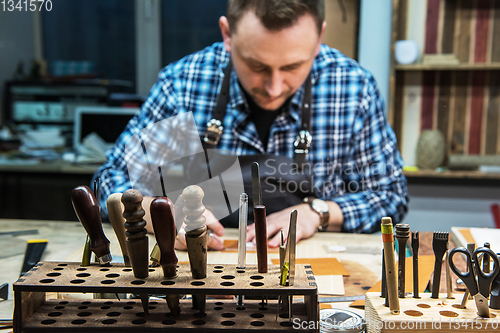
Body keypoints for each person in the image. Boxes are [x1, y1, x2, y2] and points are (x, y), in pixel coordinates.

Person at [93, 0, 409, 251]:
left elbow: (390, 196)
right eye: (256, 65)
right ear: (227, 35)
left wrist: (319, 213)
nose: (273, 87)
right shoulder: (185, 84)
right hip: (202, 270)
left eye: (293, 66)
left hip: (307, 270)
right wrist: (157, 213)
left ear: (318, 39)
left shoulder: (351, 89)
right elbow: (109, 182)